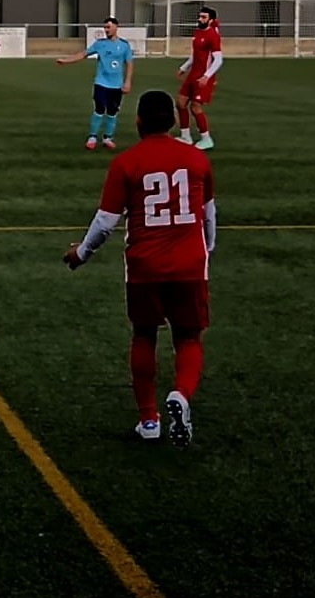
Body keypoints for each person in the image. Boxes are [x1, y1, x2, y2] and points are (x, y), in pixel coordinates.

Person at [63, 89, 215, 448]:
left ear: (139, 122)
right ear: (173, 121)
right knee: (189, 338)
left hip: (145, 264)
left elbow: (105, 223)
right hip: (190, 263)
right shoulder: (197, 160)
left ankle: (148, 419)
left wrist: (81, 254)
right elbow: (209, 215)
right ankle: (180, 394)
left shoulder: (126, 163)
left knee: (144, 335)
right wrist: (206, 250)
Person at [56, 16, 134, 150]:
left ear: (116, 27)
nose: (106, 30)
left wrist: (128, 82)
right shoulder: (100, 44)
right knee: (99, 109)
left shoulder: (124, 45)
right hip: (101, 83)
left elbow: (129, 64)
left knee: (112, 112)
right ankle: (92, 137)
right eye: (105, 27)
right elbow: (83, 54)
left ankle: (108, 138)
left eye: (108, 27)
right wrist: (66, 61)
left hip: (117, 85)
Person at [176, 6, 223, 150]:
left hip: (203, 77)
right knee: (180, 103)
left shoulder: (213, 36)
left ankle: (206, 139)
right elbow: (195, 54)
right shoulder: (198, 32)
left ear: (211, 20)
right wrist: (184, 68)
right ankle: (186, 136)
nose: (200, 19)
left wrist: (207, 76)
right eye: (200, 16)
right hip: (193, 75)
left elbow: (218, 59)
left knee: (195, 107)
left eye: (203, 17)